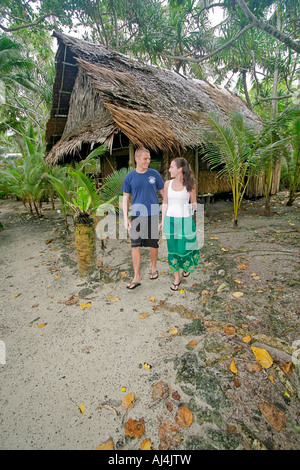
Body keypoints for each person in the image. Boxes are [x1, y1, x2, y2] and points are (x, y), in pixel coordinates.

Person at [122, 148, 164, 289]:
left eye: (149, 158)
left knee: (153, 244)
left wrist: (165, 215)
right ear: (137, 159)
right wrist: (125, 218)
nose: (148, 161)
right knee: (135, 245)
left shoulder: (155, 174)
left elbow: (165, 195)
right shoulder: (130, 177)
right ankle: (137, 276)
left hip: (152, 213)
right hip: (136, 215)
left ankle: (153, 268)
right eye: (145, 158)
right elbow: (125, 198)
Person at [159, 157, 200, 291]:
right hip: (170, 220)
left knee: (185, 248)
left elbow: (194, 205)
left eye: (171, 167)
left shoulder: (190, 184)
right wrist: (162, 220)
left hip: (185, 221)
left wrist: (189, 216)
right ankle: (176, 278)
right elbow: (165, 203)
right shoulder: (167, 184)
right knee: (173, 250)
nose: (169, 169)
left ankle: (186, 267)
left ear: (180, 169)